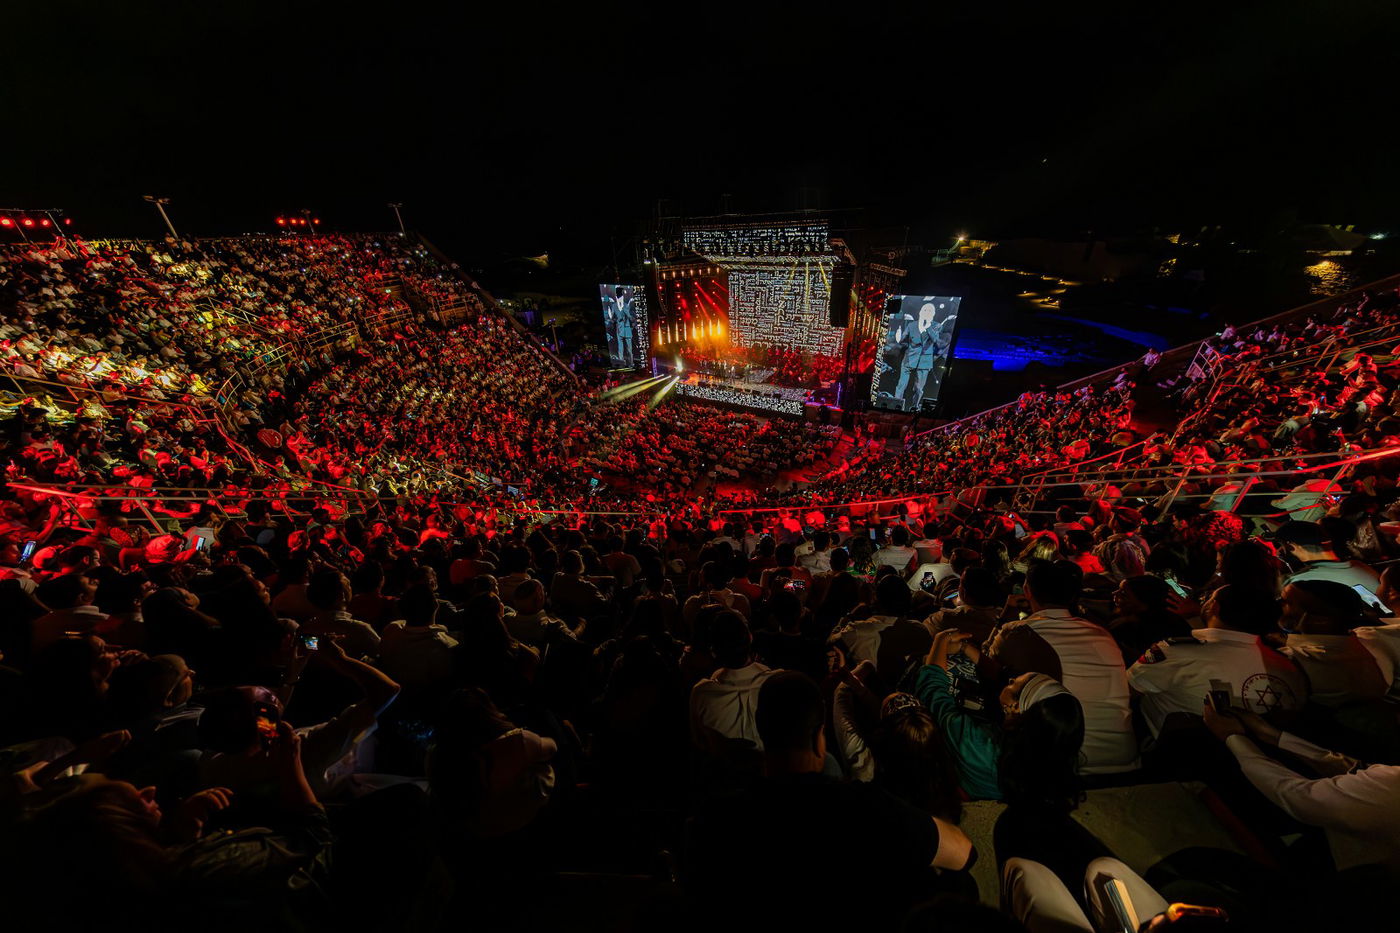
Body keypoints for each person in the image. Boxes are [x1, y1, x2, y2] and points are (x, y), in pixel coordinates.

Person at [686, 671, 974, 929]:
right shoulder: (866, 807)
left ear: (762, 731)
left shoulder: (715, 821)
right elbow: (963, 852)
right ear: (817, 738)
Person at [1203, 702, 1400, 874]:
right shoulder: (1391, 779)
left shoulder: (1393, 787)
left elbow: (1297, 796)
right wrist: (1270, 734)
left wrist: (1232, 737)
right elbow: (1357, 771)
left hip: (1349, 871)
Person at [986, 560, 1138, 774]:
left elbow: (984, 665)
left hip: (1067, 761)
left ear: (1027, 590)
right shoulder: (1102, 634)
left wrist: (1006, 614)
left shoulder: (1017, 632)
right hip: (1125, 756)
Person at [1127, 584, 1307, 739]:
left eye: (1209, 598)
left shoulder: (1173, 653)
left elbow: (1125, 691)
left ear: (1215, 607)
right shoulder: (1289, 666)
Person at [1276, 580, 1388, 708]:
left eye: (1286, 603)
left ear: (1320, 621)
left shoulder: (1296, 660)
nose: (1277, 604)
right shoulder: (1369, 650)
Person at [688, 610, 775, 758]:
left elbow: (699, 742)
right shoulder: (778, 683)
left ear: (713, 651)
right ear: (750, 637)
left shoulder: (701, 693)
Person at [1272, 520, 1382, 596]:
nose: (1279, 551)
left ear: (1291, 546)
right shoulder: (1358, 565)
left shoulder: (1300, 582)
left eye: (1281, 546)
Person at [893, 301, 949, 412]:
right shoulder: (911, 325)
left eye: (930, 311)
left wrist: (928, 327)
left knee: (918, 388)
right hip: (909, 358)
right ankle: (896, 405)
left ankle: (914, 407)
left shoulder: (936, 326)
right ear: (920, 312)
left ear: (933, 314)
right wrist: (898, 338)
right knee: (901, 385)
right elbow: (903, 339)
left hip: (924, 361)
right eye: (925, 310)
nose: (927, 312)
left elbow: (936, 341)